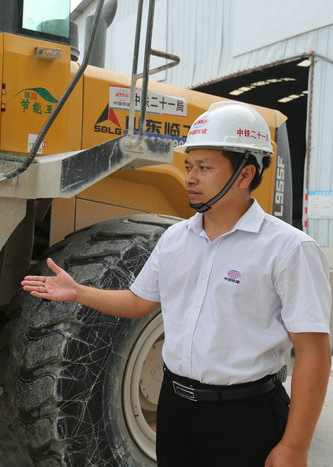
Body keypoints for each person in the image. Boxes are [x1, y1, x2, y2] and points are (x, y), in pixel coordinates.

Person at [22, 101, 331, 466]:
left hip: (246, 415)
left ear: (245, 174)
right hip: (175, 407)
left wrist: (295, 446)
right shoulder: (174, 239)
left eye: (204, 167)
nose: (190, 178)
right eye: (188, 166)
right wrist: (79, 292)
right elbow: (138, 302)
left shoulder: (289, 248)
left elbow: (313, 351)